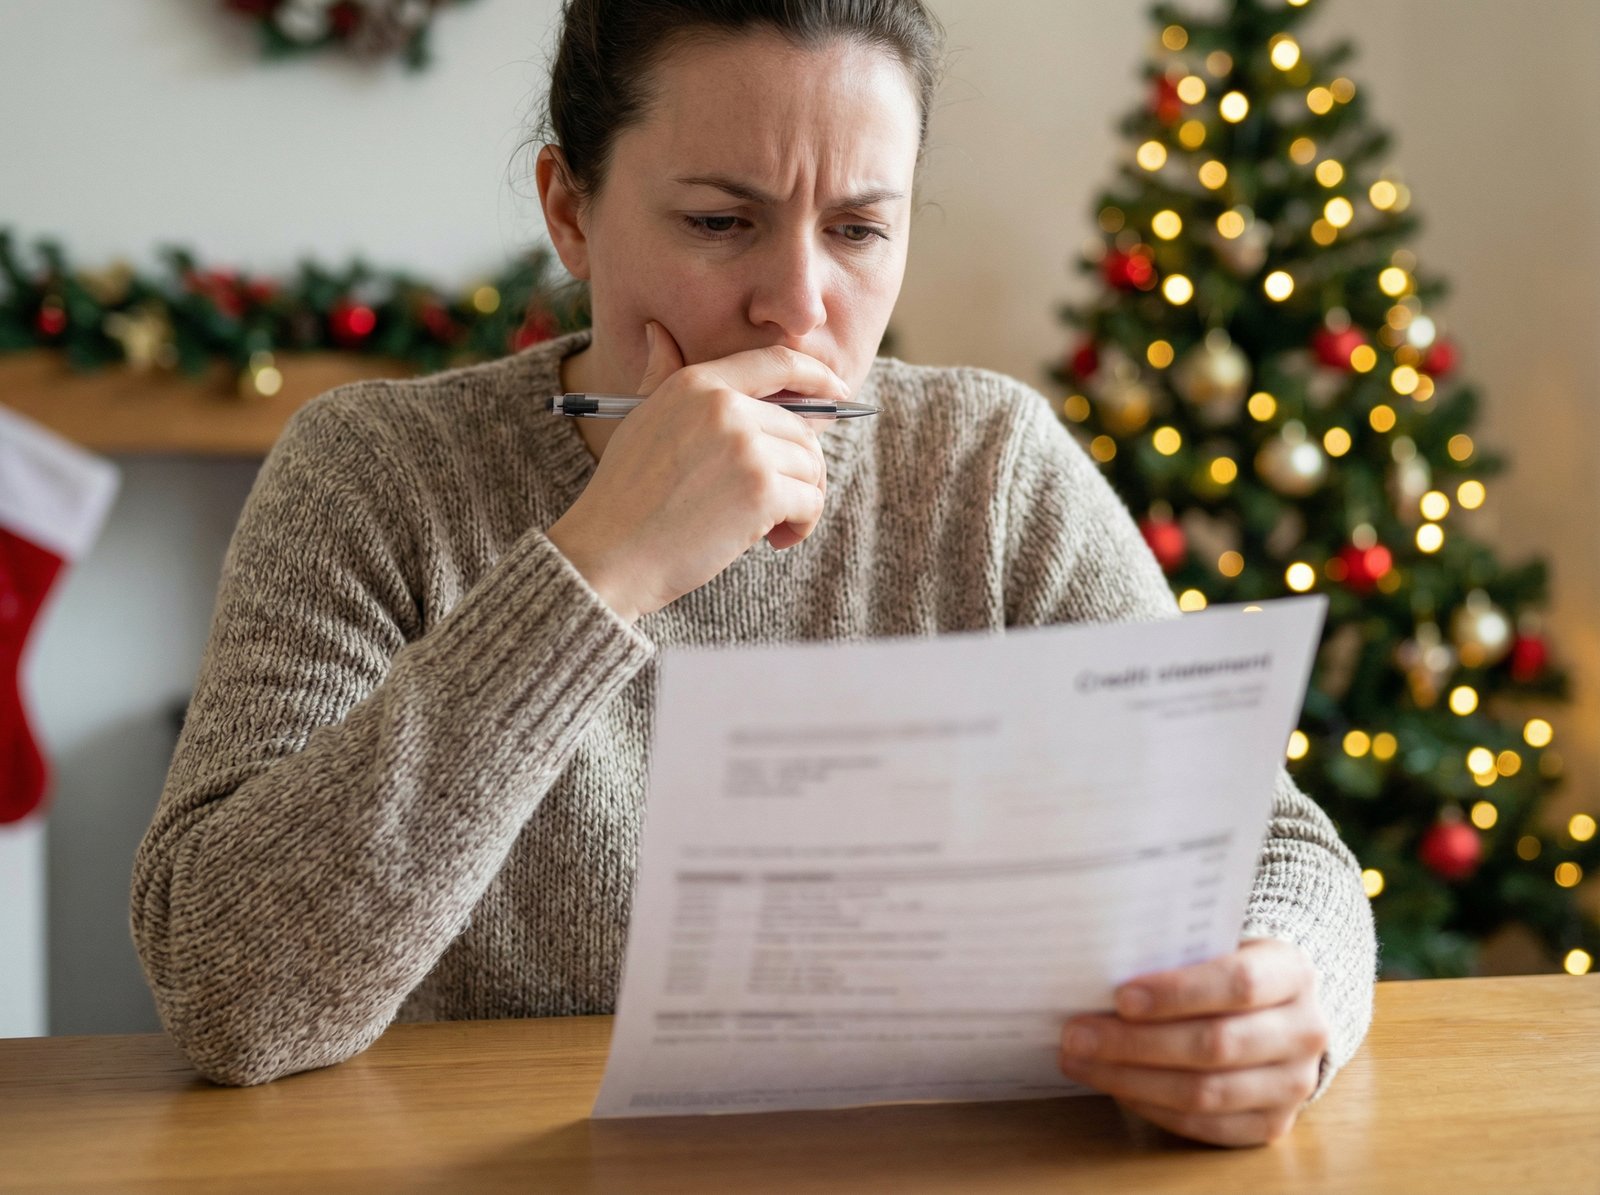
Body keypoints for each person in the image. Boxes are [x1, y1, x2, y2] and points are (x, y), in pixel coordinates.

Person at [131, 0, 1376, 1149]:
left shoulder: (986, 468)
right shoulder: (372, 474)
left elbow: (1280, 844)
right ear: (569, 208)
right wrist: (600, 566)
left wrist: (1280, 991)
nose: (796, 304)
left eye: (858, 229)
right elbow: (225, 991)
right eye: (720, 223)